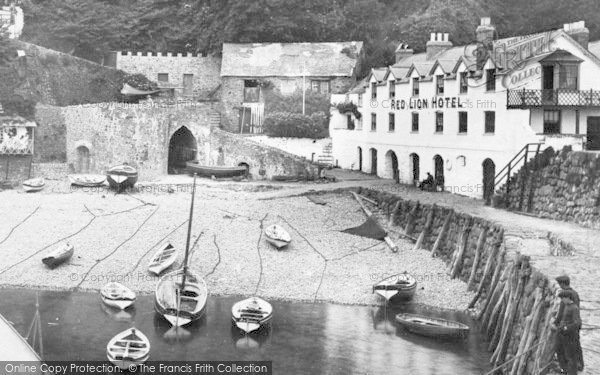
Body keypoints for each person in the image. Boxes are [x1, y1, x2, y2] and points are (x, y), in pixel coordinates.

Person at [555, 275, 583, 371]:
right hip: (573, 325)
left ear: (562, 284)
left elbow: (561, 313)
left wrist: (556, 324)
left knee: (562, 348)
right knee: (576, 345)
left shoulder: (566, 296)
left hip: (569, 327)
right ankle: (579, 365)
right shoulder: (575, 293)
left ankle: (568, 368)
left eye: (560, 284)